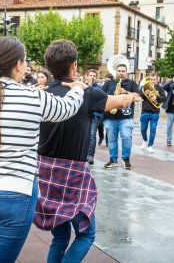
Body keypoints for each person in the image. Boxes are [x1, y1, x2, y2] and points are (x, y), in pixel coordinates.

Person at [0, 36, 86, 263]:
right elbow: (67, 108)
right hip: (10, 195)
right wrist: (78, 88)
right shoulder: (32, 97)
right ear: (18, 65)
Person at [35, 40, 139, 262]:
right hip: (72, 173)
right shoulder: (86, 93)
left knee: (60, 236)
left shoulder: (41, 94)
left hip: (45, 172)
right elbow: (118, 101)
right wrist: (131, 96)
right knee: (86, 234)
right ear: (74, 66)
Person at [102, 64, 140, 169]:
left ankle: (126, 159)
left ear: (126, 72)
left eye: (123, 71)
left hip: (126, 117)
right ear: (116, 72)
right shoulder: (108, 83)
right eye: (119, 71)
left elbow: (138, 96)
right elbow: (101, 95)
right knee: (111, 139)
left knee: (127, 137)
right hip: (110, 116)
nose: (121, 73)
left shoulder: (132, 83)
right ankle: (113, 160)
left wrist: (126, 92)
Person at [140, 73, 166, 153]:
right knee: (143, 129)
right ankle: (145, 140)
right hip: (145, 111)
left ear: (157, 80)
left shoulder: (160, 88)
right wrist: (145, 93)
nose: (152, 81)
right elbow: (140, 96)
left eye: (154, 79)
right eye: (151, 79)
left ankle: (150, 145)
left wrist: (156, 97)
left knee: (153, 129)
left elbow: (164, 98)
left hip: (155, 112)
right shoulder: (145, 86)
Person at [85, 69, 104, 164]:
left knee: (92, 135)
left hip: (95, 115)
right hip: (84, 115)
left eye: (94, 76)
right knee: (84, 135)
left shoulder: (99, 88)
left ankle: (90, 155)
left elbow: (100, 99)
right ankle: (83, 154)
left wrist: (90, 87)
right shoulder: (82, 86)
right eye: (90, 75)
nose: (92, 77)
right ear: (86, 76)